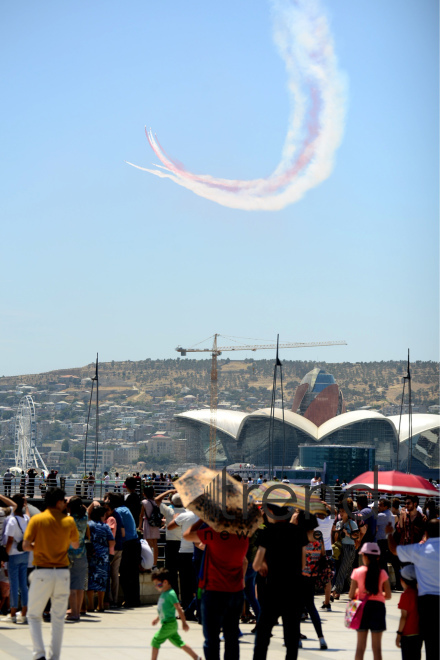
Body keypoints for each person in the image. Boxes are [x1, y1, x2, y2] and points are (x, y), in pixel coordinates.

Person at [23, 487, 80, 660]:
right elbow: (76, 545)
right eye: (64, 500)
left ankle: (39, 654)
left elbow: (26, 545)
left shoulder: (37, 519)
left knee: (33, 615)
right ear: (58, 502)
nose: (65, 504)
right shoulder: (69, 521)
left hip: (42, 571)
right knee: (58, 618)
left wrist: (40, 548)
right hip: (62, 572)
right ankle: (54, 656)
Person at [184, 519, 249, 660]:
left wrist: (201, 519)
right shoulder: (243, 535)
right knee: (232, 639)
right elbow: (244, 561)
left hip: (214, 591)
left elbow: (187, 535)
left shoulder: (213, 534)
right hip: (236, 592)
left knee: (212, 640)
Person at [252, 503, 307, 660]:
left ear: (271, 512)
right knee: (291, 636)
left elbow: (256, 564)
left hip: (273, 589)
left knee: (263, 633)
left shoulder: (267, 532)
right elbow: (303, 564)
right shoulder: (298, 532)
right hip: (294, 589)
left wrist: (264, 564)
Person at [387, 518, 439, 660]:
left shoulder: (420, 549)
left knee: (429, 641)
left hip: (426, 601)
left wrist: (389, 534)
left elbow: (394, 550)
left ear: (426, 533)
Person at [348, 542, 391, 660]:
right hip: (378, 608)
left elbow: (351, 595)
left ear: (364, 556)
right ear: (378, 557)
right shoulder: (382, 573)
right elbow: (388, 595)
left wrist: (359, 591)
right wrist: (377, 593)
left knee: (360, 647)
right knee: (377, 649)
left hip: (362, 608)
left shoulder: (357, 572)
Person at [150, 567, 202, 660]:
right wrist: (157, 619)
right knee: (180, 643)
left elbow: (178, 608)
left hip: (169, 624)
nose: (156, 586)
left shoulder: (170, 594)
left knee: (155, 641)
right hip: (169, 624)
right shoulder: (164, 593)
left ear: (165, 582)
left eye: (158, 584)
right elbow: (163, 609)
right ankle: (197, 657)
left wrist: (184, 622)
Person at [0, 493, 30, 624]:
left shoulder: (12, 520)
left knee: (14, 585)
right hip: (25, 554)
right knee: (24, 584)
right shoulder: (26, 519)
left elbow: (10, 540)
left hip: (13, 555)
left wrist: (3, 557)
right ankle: (24, 613)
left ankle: (12, 614)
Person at [300, 512, 328, 650]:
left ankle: (297, 638)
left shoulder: (300, 537)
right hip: (313, 575)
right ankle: (321, 638)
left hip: (300, 576)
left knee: (295, 608)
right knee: (311, 607)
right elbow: (323, 555)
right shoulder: (318, 536)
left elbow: (301, 557)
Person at [111, 492, 141, 608]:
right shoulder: (126, 509)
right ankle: (135, 599)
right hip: (135, 542)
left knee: (125, 573)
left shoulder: (118, 512)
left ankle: (129, 600)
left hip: (127, 544)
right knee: (133, 574)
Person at [169, 508, 199, 613]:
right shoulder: (207, 517)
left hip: (185, 552)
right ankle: (198, 610)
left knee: (185, 583)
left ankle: (187, 609)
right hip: (200, 551)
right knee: (198, 582)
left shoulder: (184, 515)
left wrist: (175, 518)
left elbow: (170, 527)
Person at [155, 489, 185, 597]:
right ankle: (185, 597)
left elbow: (157, 500)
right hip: (184, 545)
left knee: (171, 573)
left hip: (171, 544)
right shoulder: (187, 513)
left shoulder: (168, 511)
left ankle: (174, 596)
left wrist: (170, 491)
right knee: (184, 573)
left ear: (171, 502)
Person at [87, 505, 115, 612]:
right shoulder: (105, 527)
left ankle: (90, 605)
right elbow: (112, 542)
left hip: (90, 555)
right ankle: (100, 605)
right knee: (101, 580)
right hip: (103, 557)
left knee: (90, 580)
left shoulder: (88, 525)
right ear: (102, 515)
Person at [66, 496, 89, 621]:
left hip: (70, 554)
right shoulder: (84, 518)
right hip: (82, 553)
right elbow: (85, 509)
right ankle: (77, 611)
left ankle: (74, 613)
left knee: (71, 586)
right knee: (79, 586)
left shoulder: (69, 519)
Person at [331, 501, 359, 599]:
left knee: (343, 569)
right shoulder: (338, 523)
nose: (341, 513)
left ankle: (334, 590)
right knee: (348, 572)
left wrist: (348, 534)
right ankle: (356, 590)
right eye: (340, 511)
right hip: (341, 548)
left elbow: (357, 536)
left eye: (343, 511)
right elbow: (336, 536)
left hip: (350, 548)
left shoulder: (352, 523)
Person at [396, 564, 422, 660]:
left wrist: (399, 633)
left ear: (402, 580)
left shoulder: (405, 595)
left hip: (407, 634)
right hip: (418, 633)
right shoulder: (419, 593)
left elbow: (404, 617)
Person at [103, 493, 125, 607]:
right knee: (115, 575)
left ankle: (109, 599)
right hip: (119, 548)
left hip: (111, 549)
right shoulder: (118, 515)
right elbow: (123, 533)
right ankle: (114, 600)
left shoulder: (110, 517)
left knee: (107, 574)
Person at [316, 505, 334, 611]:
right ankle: (327, 602)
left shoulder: (315, 521)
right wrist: (326, 504)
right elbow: (334, 511)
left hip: (317, 550)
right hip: (328, 550)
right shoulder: (329, 521)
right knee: (328, 577)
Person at [140, 485, 161, 567]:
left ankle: (148, 563)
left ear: (144, 494)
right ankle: (155, 563)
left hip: (147, 523)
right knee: (155, 544)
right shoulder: (156, 502)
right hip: (155, 524)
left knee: (148, 544)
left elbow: (141, 515)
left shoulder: (144, 502)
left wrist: (139, 526)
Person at [376, 498, 395, 572]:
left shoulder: (382, 515)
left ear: (386, 507)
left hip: (382, 542)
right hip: (387, 540)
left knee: (382, 563)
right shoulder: (391, 514)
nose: (378, 506)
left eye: (381, 505)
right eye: (378, 505)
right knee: (383, 563)